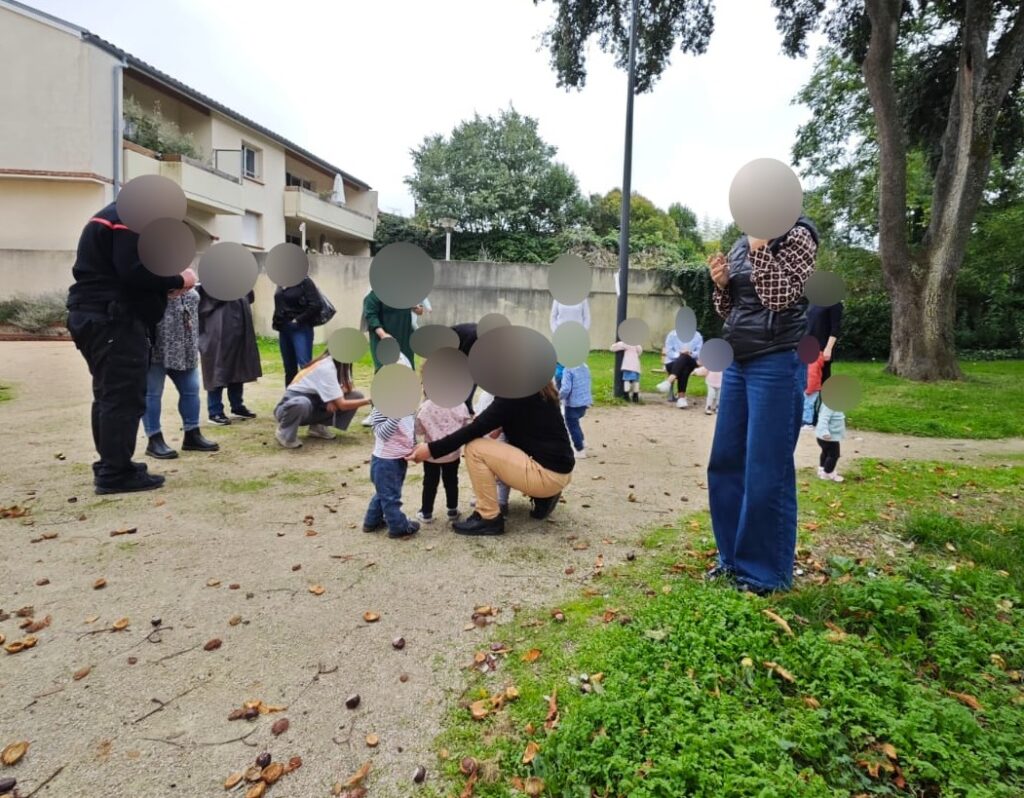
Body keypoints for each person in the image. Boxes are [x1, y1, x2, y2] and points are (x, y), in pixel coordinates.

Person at [706, 215, 819, 595]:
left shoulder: (798, 236)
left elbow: (781, 298)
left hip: (777, 359)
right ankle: (731, 559)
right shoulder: (741, 242)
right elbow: (732, 310)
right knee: (725, 461)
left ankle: (764, 573)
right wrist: (722, 285)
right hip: (739, 360)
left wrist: (760, 250)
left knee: (765, 467)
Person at [66, 201, 196, 494]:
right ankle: (114, 473)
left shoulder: (107, 218)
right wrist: (179, 278)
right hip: (114, 319)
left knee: (108, 393)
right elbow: (135, 272)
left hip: (95, 314)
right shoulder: (133, 218)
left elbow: (127, 272)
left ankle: (113, 463)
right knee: (122, 396)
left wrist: (164, 287)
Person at [407, 381, 574, 536]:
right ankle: (544, 497)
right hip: (559, 472)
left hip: (545, 475)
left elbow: (474, 430)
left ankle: (489, 517)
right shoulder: (537, 387)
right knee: (490, 443)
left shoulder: (513, 393)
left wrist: (430, 449)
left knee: (475, 447)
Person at [143, 287, 219, 459]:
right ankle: (154, 439)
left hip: (185, 349)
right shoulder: (150, 276)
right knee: (152, 394)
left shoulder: (187, 279)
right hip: (157, 347)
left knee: (191, 390)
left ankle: (192, 434)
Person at [363, 355, 420, 539]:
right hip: (385, 461)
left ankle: (371, 522)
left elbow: (410, 426)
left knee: (384, 493)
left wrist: (414, 445)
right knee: (390, 497)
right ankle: (398, 526)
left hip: (398, 458)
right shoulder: (381, 408)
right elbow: (381, 433)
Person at [273, 352, 371, 448]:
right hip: (289, 407)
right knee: (302, 403)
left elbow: (347, 387)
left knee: (356, 396)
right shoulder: (326, 367)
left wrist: (332, 399)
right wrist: (370, 401)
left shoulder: (341, 365)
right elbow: (342, 405)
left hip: (314, 404)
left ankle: (318, 427)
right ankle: (285, 432)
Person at [198, 288, 262, 425]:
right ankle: (215, 411)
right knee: (218, 369)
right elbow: (206, 302)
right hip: (218, 332)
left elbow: (250, 297)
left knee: (238, 367)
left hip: (239, 328)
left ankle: (237, 406)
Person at [414, 396, 472, 523]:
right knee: (451, 481)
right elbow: (467, 426)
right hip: (452, 453)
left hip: (431, 453)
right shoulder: (460, 404)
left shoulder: (426, 406)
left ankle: (426, 512)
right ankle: (452, 510)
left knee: (430, 483)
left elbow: (418, 430)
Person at [272, 276, 324, 386]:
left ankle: (310, 397)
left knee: (305, 366)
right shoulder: (281, 283)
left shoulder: (304, 281)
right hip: (284, 328)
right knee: (289, 367)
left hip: (301, 328)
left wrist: (298, 320)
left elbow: (315, 304)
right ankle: (291, 398)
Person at [471, 388, 511, 517]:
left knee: (501, 475)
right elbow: (477, 413)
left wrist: (500, 428)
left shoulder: (505, 396)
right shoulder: (484, 395)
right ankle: (483, 499)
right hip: (484, 439)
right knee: (483, 473)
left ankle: (502, 502)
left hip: (500, 440)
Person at [363, 289, 415, 371]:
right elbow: (370, 315)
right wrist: (382, 334)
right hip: (384, 339)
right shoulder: (375, 295)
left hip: (404, 338)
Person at [660, 330, 704, 408]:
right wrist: (680, 354)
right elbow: (669, 353)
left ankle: (669, 380)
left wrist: (690, 353)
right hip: (672, 363)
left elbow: (699, 353)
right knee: (684, 365)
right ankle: (681, 398)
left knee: (685, 357)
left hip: (691, 362)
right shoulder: (672, 335)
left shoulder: (697, 336)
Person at [559, 362, 592, 458]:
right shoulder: (585, 366)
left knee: (572, 425)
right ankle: (582, 441)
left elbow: (566, 389)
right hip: (585, 401)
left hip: (572, 404)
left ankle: (579, 449)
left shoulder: (568, 369)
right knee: (575, 423)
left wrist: (557, 397)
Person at [805, 301, 842, 383]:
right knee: (808, 381)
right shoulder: (812, 303)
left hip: (822, 348)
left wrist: (828, 348)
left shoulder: (835, 304)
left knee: (823, 379)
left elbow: (835, 329)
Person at [815, 399, 846, 482]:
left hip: (828, 436)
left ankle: (822, 469)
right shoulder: (829, 406)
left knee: (826, 452)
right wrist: (825, 432)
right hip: (828, 437)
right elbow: (823, 419)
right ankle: (828, 473)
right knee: (834, 455)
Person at [802, 352, 825, 429]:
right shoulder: (816, 359)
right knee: (809, 405)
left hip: (810, 388)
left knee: (807, 405)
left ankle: (807, 422)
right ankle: (806, 421)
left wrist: (809, 389)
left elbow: (812, 376)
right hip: (814, 387)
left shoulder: (812, 361)